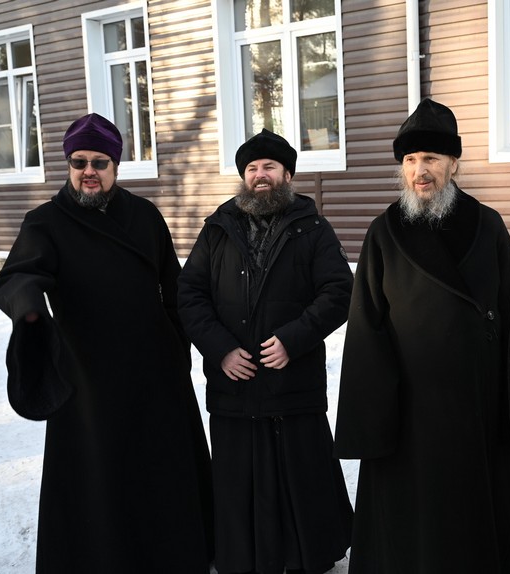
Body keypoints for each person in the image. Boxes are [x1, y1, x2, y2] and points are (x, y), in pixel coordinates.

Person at [0, 113, 214, 572]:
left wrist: (177, 348)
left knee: (162, 470)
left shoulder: (145, 215)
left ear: (116, 166)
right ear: (68, 165)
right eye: (79, 162)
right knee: (100, 475)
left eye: (99, 162)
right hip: (88, 376)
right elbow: (16, 276)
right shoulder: (45, 222)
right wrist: (28, 305)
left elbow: (174, 288)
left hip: (155, 372)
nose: (88, 171)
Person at [334, 99, 510, 573]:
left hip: (478, 406)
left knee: (476, 526)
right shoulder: (384, 232)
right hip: (409, 412)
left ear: (453, 163)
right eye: (410, 160)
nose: (419, 171)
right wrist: (373, 420)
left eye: (430, 159)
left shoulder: (487, 224)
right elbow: (367, 328)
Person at [178, 129, 354, 574]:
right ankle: (243, 558)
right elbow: (190, 294)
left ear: (287, 175)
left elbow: (339, 291)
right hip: (234, 383)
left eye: (269, 167)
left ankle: (306, 557)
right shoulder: (217, 229)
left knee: (301, 472)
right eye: (252, 168)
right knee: (238, 477)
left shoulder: (313, 228)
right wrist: (220, 350)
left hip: (292, 382)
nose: (260, 175)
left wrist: (294, 339)